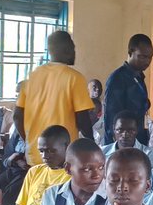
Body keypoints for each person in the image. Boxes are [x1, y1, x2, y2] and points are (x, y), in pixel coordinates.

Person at [15, 31, 94, 163]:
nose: (75, 53)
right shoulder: (74, 78)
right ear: (67, 49)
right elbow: (83, 120)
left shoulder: (33, 76)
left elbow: (17, 116)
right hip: (62, 156)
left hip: (36, 154)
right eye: (73, 48)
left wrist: (30, 143)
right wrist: (91, 146)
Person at [14, 125, 73, 205]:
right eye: (41, 151)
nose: (45, 156)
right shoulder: (34, 171)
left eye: (51, 151)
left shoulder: (72, 176)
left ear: (67, 147)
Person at [102, 35, 153, 145]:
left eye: (150, 57)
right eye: (142, 57)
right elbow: (112, 116)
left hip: (137, 138)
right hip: (123, 142)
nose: (147, 61)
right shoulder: (117, 79)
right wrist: (114, 145)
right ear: (130, 53)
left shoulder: (139, 77)